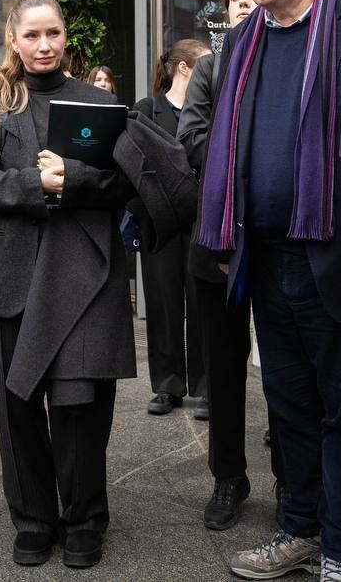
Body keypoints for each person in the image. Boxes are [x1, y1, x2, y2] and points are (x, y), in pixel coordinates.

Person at [196, 0, 341, 581]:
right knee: (289, 406)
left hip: (340, 256)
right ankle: (301, 529)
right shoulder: (244, 42)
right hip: (264, 257)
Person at [0, 0, 136, 570]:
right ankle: (33, 518)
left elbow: (124, 183)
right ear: (12, 40)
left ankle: (85, 519)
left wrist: (75, 180)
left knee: (80, 405)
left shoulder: (97, 102)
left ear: (65, 36)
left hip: (82, 270)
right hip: (8, 270)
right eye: (32, 35)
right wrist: (38, 187)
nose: (44, 45)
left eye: (53, 33)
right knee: (18, 405)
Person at [179, 0, 285, 531]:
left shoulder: (288, 58)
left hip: (274, 239)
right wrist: (245, 161)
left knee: (285, 368)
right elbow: (192, 138)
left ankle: (291, 477)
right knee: (222, 370)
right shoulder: (209, 67)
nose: (244, 4)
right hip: (217, 237)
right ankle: (228, 477)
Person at [134, 39, 212, 417]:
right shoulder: (146, 111)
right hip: (161, 224)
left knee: (202, 303)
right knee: (163, 303)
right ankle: (167, 385)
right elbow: (133, 168)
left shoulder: (211, 111)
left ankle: (207, 385)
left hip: (202, 221)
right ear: (184, 68)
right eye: (206, 66)